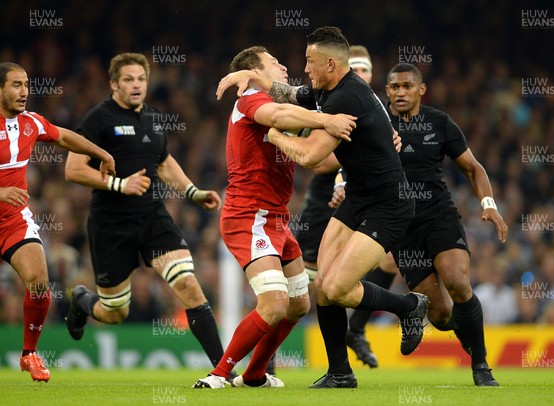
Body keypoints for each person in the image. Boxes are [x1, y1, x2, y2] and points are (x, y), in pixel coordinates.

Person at [217, 27, 429, 389]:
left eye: (310, 61)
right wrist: (248, 75)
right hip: (357, 199)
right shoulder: (328, 89)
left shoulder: (347, 97)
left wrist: (275, 135)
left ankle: (409, 307)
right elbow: (287, 93)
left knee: (336, 287)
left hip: (387, 204)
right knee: (322, 288)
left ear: (331, 63)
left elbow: (313, 156)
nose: (304, 68)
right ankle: (340, 374)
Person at [192, 46, 357, 389]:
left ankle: (255, 374)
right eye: (273, 63)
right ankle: (218, 374)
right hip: (247, 214)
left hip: (277, 218)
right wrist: (327, 120)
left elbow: (311, 144)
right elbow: (280, 117)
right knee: (274, 304)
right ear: (256, 74)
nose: (284, 66)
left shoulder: (280, 100)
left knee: (298, 304)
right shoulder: (250, 99)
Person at [336, 63, 507, 386]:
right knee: (441, 316)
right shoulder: (373, 122)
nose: (401, 92)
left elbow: (473, 168)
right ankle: (466, 331)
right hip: (402, 225)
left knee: (457, 281)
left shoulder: (439, 123)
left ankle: (481, 366)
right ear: (386, 91)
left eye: (407, 86)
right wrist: (339, 185)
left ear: (420, 90)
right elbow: (347, 161)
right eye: (395, 87)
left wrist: (489, 205)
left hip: (438, 214)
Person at [63, 53, 230, 376]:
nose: (136, 85)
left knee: (189, 286)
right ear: (113, 83)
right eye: (128, 79)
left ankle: (223, 371)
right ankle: (82, 301)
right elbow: (73, 169)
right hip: (111, 226)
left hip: (152, 217)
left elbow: (164, 163)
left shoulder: (154, 118)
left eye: (141, 79)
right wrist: (119, 184)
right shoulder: (97, 119)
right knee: (115, 312)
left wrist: (193, 192)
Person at [0, 62, 115, 382]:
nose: (24, 91)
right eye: (15, 85)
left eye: (26, 84)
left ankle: (29, 354)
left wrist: (101, 153)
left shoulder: (31, 123)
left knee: (39, 282)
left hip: (12, 221)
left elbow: (64, 137)